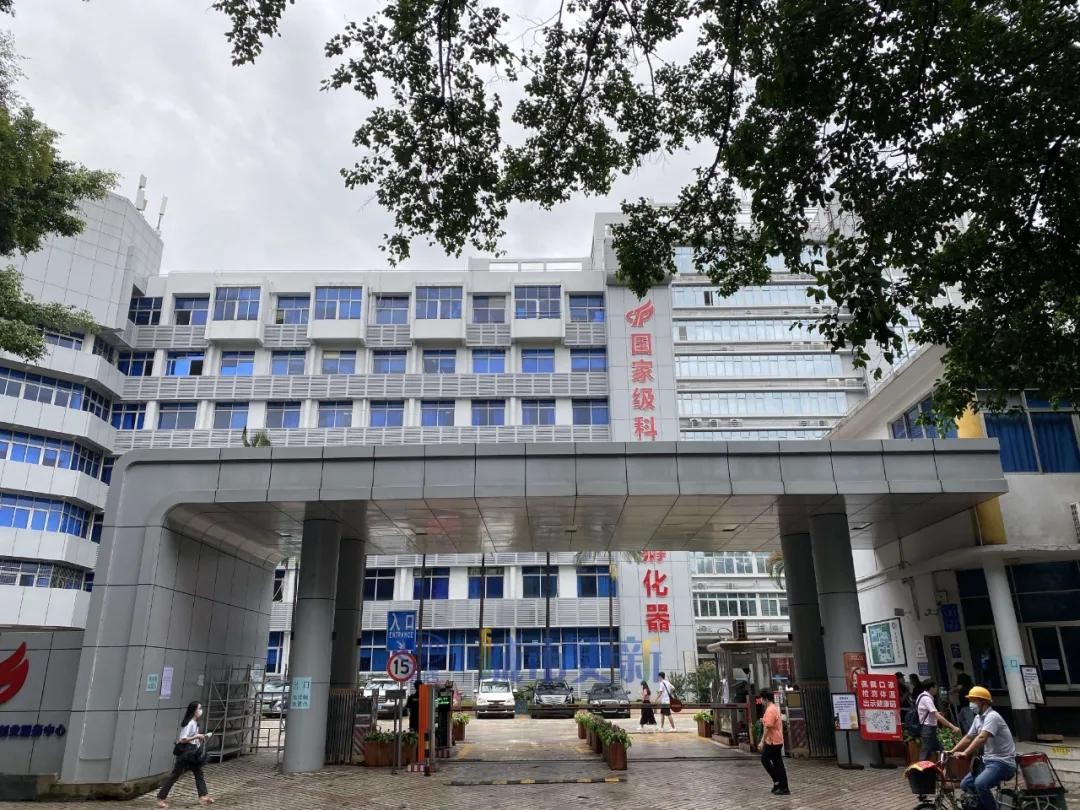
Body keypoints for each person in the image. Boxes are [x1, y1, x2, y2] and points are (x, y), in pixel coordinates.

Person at [950, 686, 1016, 810]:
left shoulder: (992, 716)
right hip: (987, 762)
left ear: (983, 702)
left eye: (973, 701)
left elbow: (982, 738)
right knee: (965, 784)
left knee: (980, 784)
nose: (971, 704)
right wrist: (952, 751)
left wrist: (965, 753)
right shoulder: (978, 718)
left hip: (1003, 762)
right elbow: (968, 737)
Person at [157, 701, 214, 808]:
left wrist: (200, 738)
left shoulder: (195, 723)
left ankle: (203, 796)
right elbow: (183, 739)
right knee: (175, 775)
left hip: (193, 752)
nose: (201, 711)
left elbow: (192, 738)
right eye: (199, 708)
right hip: (185, 754)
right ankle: (160, 798)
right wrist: (196, 736)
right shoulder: (189, 723)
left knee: (199, 773)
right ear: (193, 710)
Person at [915, 678, 961, 761]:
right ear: (931, 688)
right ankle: (920, 769)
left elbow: (927, 712)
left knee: (940, 750)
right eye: (936, 687)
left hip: (929, 729)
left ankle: (942, 767)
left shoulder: (921, 696)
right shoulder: (927, 699)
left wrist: (937, 714)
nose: (936, 689)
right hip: (928, 729)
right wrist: (952, 726)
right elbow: (936, 715)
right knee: (925, 754)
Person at [756, 689, 789, 796]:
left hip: (773, 741)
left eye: (761, 698)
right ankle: (781, 785)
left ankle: (779, 783)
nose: (761, 701)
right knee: (777, 763)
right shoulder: (773, 708)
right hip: (775, 740)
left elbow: (768, 727)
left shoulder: (770, 710)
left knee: (765, 760)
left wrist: (762, 741)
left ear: (765, 699)